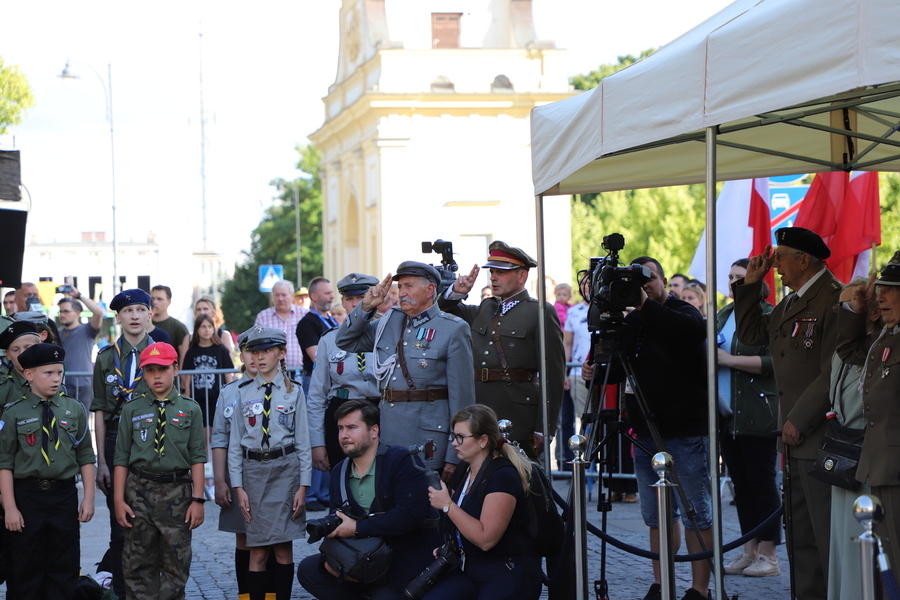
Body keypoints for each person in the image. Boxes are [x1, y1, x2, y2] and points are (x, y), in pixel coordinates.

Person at [583, 255, 711, 600]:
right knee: (656, 514)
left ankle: (700, 589)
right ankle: (662, 583)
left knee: (695, 510)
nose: (643, 286)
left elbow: (691, 331)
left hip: (683, 431)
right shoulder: (634, 323)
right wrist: (595, 370)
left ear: (664, 281)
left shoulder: (683, 313)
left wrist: (642, 305)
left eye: (648, 278)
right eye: (635, 281)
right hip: (644, 433)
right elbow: (618, 365)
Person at [733, 227, 842, 600]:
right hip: (792, 434)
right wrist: (750, 283)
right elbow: (751, 333)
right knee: (801, 533)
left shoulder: (834, 300)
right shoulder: (791, 301)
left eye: (779, 256)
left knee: (824, 531)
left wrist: (800, 417)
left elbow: (835, 370)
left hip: (819, 433)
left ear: (803, 259)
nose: (774, 263)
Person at [336, 262, 474, 478]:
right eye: (400, 287)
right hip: (390, 435)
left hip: (428, 439)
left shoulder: (453, 328)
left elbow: (462, 399)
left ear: (429, 291)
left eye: (409, 286)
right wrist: (366, 307)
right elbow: (345, 341)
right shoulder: (390, 322)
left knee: (428, 504)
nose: (402, 293)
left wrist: (454, 453)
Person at [297, 399, 440, 600]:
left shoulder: (400, 459)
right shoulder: (339, 471)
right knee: (309, 570)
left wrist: (357, 528)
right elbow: (337, 518)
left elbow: (411, 515)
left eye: (352, 428)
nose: (344, 435)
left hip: (403, 561)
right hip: (364, 558)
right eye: (340, 428)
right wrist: (335, 556)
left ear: (374, 431)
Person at [439, 241, 565, 459]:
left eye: (501, 272)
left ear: (522, 276)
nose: (493, 277)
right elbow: (443, 311)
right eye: (492, 272)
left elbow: (552, 375)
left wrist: (544, 427)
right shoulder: (486, 307)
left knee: (520, 478)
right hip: (480, 410)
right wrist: (456, 292)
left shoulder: (540, 312)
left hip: (518, 413)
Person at [0, 343, 96, 600]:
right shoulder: (14, 413)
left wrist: (88, 497)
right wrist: (10, 507)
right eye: (48, 373)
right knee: (25, 566)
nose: (56, 379)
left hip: (63, 495)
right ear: (29, 374)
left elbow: (86, 455)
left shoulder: (73, 409)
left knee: (63, 566)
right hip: (27, 497)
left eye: (59, 372)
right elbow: (4, 463)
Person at [113, 342, 206, 600]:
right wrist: (119, 500)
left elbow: (197, 456)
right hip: (139, 490)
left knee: (176, 562)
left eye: (162, 369)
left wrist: (198, 500)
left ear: (175, 369)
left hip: (177, 492)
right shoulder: (132, 409)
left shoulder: (190, 408)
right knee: (137, 562)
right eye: (150, 370)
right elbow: (121, 457)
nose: (156, 376)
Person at [228, 326, 312, 600]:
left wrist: (303, 485)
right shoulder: (243, 392)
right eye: (255, 351)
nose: (260, 357)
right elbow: (234, 446)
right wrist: (238, 487)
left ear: (281, 353)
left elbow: (302, 441)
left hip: (285, 472)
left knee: (283, 548)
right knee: (258, 549)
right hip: (254, 474)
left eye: (267, 351)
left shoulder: (294, 392)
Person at [424, 404, 541, 600]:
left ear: (483, 440)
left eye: (460, 437)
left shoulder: (503, 475)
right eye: (454, 436)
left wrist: (447, 505)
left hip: (506, 570)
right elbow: (461, 524)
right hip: (470, 568)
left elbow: (486, 539)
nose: (454, 443)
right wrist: (449, 546)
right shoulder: (463, 471)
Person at [836, 254, 900, 588]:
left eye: (892, 290)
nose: (882, 297)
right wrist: (856, 310)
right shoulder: (887, 339)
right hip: (882, 465)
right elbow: (849, 350)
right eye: (882, 289)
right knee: (888, 559)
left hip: (895, 467)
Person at [90, 288, 156, 600]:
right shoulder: (105, 358)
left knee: (152, 522)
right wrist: (101, 461)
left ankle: (150, 590)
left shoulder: (161, 355)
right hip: (117, 440)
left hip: (151, 440)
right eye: (127, 312)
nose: (134, 316)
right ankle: (120, 592)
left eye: (140, 310)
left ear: (149, 315)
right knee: (120, 525)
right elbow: (100, 412)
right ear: (118, 318)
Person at [716, 259, 781, 577]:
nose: (732, 283)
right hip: (727, 413)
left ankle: (768, 555)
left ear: (756, 281)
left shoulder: (769, 314)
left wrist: (731, 359)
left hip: (758, 411)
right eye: (729, 277)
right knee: (741, 485)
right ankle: (749, 549)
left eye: (739, 277)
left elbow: (776, 362)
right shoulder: (723, 315)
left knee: (761, 483)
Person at [827, 277, 879, 600]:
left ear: (869, 312)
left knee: (862, 543)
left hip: (868, 458)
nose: (842, 313)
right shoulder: (842, 351)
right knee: (842, 545)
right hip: (841, 453)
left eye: (849, 306)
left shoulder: (878, 350)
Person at [308, 273, 382, 473]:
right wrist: (317, 443)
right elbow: (316, 395)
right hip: (342, 412)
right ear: (342, 302)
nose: (355, 304)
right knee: (343, 481)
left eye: (361, 298)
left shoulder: (388, 334)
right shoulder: (329, 339)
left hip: (381, 412)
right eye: (350, 299)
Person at [181, 313, 235, 438]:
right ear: (197, 329)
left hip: (216, 397)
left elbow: (228, 374)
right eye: (203, 326)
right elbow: (187, 378)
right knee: (202, 435)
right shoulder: (191, 352)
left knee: (216, 433)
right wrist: (188, 400)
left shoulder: (221, 350)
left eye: (210, 326)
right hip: (198, 399)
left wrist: (230, 396)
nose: (207, 330)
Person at [57, 286, 105, 410]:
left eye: (66, 311)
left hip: (83, 384)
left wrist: (79, 295)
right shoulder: (57, 332)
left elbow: (99, 312)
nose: (62, 315)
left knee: (82, 421)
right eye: (60, 311)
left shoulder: (87, 330)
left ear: (77, 313)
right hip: (60, 384)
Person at [254, 280, 308, 373]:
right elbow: (256, 344)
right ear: (272, 298)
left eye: (284, 295)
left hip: (301, 372)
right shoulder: (263, 317)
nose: (280, 299)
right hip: (272, 373)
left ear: (292, 296)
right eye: (277, 295)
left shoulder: (305, 315)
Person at [296, 277, 337, 395]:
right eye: (327, 293)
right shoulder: (307, 323)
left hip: (332, 379)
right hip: (316, 381)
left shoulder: (332, 320)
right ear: (314, 297)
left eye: (331, 293)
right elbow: (317, 357)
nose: (332, 297)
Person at [0, 321, 41, 411]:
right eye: (15, 350)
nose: (22, 354)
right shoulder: (3, 391)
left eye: (28, 348)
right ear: (8, 354)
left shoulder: (53, 385)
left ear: (39, 348)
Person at [150, 285, 190, 363]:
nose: (155, 302)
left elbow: (184, 357)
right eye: (152, 299)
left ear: (169, 301)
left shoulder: (178, 327)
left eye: (159, 299)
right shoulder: (143, 326)